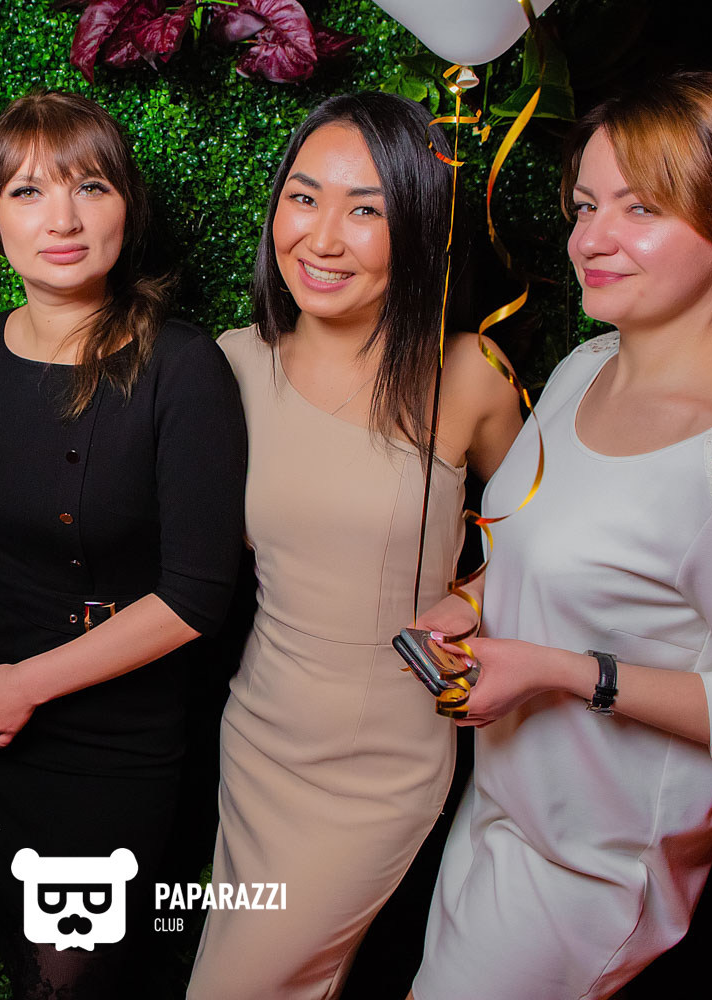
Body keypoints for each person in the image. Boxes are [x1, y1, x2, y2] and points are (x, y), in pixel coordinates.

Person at [409, 72, 712, 1000]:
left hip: (589, 872)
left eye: (641, 207)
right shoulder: (589, 364)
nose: (591, 239)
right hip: (502, 804)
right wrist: (469, 604)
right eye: (586, 205)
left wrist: (560, 671)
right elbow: (535, 542)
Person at [186, 92, 523, 999]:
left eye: (365, 210)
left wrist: (475, 599)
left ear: (418, 228)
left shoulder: (470, 374)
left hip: (382, 763)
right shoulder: (231, 364)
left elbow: (548, 538)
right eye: (303, 198)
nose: (322, 238)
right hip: (260, 737)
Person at [0, 91, 247, 999]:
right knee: (9, 947)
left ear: (126, 207)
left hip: (104, 742)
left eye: (89, 186)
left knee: (69, 978)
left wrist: (27, 685)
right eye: (27, 192)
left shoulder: (183, 367)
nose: (61, 219)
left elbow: (195, 598)